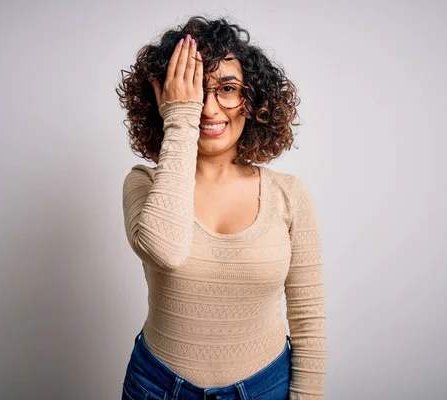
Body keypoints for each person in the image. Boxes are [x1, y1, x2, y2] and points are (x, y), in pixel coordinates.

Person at [117, 16, 326, 400]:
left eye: (228, 89)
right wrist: (180, 119)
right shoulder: (143, 183)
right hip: (158, 388)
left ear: (254, 100)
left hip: (266, 387)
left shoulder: (289, 194)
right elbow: (166, 249)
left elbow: (308, 321)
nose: (210, 109)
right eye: (196, 91)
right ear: (166, 100)